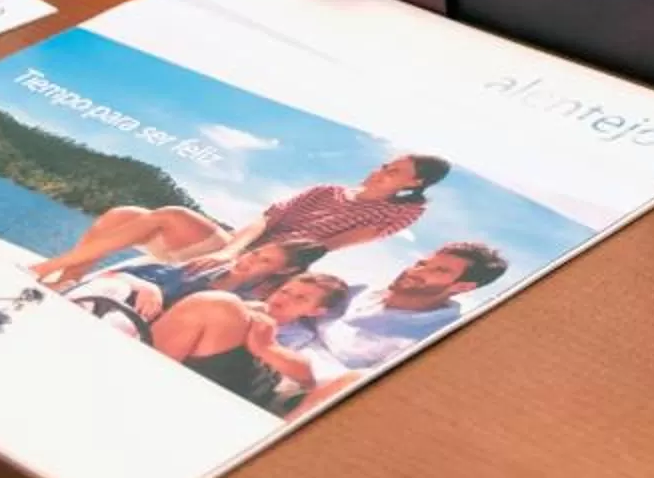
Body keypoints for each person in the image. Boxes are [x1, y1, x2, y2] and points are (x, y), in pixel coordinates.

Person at [26, 155, 450, 288]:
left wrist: (257, 262)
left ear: (413, 184)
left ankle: (45, 269)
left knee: (169, 214)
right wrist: (230, 248)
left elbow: (332, 246)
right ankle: (66, 279)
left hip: (269, 263)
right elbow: (262, 220)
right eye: (384, 165)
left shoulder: (401, 212)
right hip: (235, 246)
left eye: (394, 173)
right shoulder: (326, 188)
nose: (381, 172)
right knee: (125, 214)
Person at [276, 241, 509, 377]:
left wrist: (268, 349)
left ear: (462, 286)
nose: (416, 272)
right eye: (422, 263)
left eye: (439, 271)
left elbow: (349, 388)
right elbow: (296, 309)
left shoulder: (434, 338)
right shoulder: (361, 290)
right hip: (274, 345)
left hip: (299, 386)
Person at [149, 271, 352, 413]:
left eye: (300, 298)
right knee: (217, 304)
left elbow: (312, 376)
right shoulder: (240, 305)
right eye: (285, 291)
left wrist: (267, 347)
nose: (285, 298)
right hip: (199, 359)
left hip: (244, 385)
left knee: (218, 305)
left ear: (316, 311)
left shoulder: (305, 338)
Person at [63, 239, 322, 340]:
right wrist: (147, 286)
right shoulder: (202, 269)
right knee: (113, 285)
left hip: (138, 329)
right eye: (254, 253)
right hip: (106, 298)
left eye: (263, 261)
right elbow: (114, 274)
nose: (248, 260)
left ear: (283, 271)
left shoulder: (243, 303)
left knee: (122, 322)